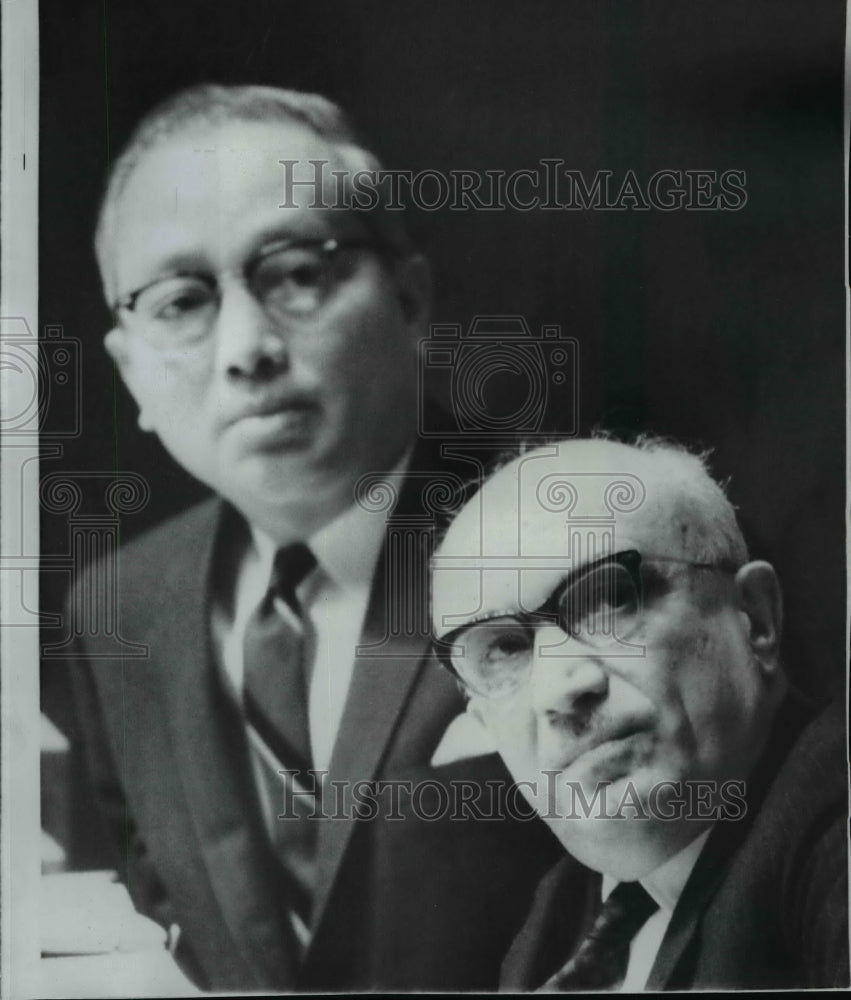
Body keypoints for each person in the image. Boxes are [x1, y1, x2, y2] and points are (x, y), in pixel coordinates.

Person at [65, 83, 560, 992]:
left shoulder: (578, 539)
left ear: (411, 303)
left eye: (295, 273)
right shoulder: (118, 607)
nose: (245, 348)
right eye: (180, 302)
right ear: (131, 372)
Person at [431, 435, 849, 991]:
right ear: (480, 720)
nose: (564, 685)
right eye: (505, 649)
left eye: (610, 599)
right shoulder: (555, 924)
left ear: (756, 619)